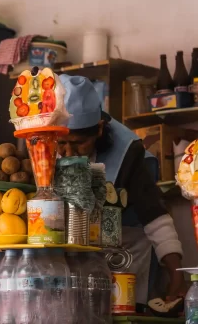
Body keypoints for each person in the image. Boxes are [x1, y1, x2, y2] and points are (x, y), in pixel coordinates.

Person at [57, 75, 186, 305]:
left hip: (125, 249)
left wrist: (176, 273)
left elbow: (154, 215)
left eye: (78, 144)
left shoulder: (128, 152)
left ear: (98, 130)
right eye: (61, 144)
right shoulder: (45, 141)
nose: (68, 153)